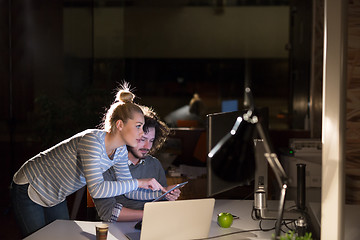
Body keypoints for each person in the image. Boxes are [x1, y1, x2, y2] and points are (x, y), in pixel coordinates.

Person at [10, 84, 166, 237]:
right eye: (138, 126)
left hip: (55, 194)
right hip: (31, 185)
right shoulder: (92, 141)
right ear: (120, 125)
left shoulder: (120, 152)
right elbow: (97, 189)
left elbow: (130, 190)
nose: (141, 133)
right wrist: (140, 182)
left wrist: (160, 191)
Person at [93, 107, 181, 222]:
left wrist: (166, 194)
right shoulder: (108, 164)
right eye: (142, 139)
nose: (147, 146)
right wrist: (148, 215)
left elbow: (160, 205)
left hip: (150, 224)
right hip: (115, 228)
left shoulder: (154, 164)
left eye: (151, 141)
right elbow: (108, 213)